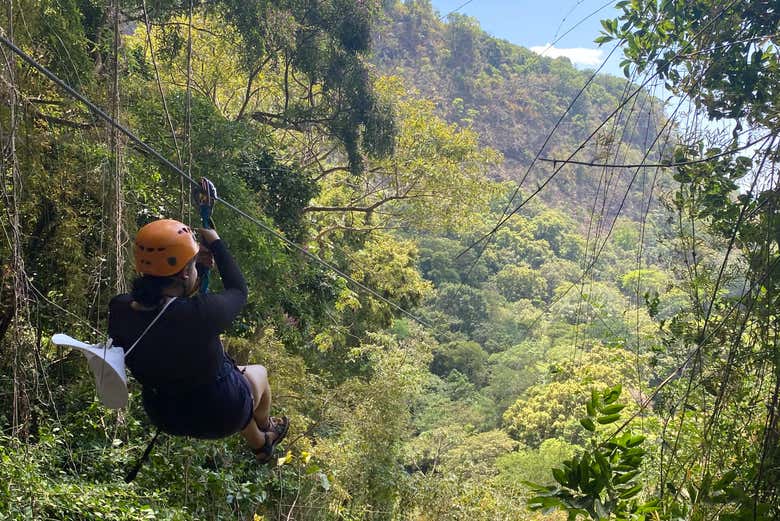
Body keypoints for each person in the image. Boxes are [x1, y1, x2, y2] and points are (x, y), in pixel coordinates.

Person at [108, 218, 288, 463]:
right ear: (183, 273)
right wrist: (215, 243)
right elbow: (238, 291)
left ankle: (260, 444)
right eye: (191, 266)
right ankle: (268, 429)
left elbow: (165, 308)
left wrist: (198, 268)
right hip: (222, 414)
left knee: (230, 382)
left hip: (166, 414)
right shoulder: (200, 315)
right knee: (257, 374)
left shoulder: (120, 309)